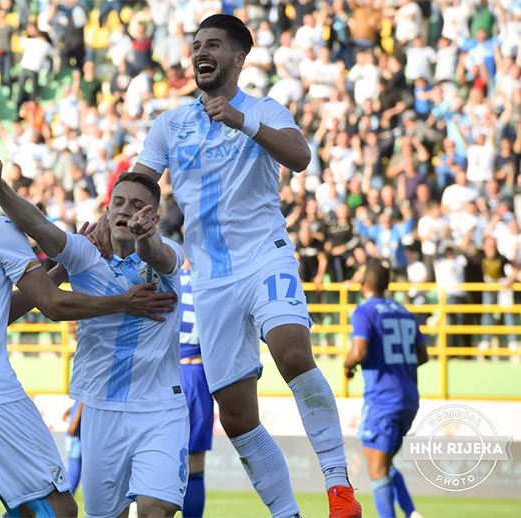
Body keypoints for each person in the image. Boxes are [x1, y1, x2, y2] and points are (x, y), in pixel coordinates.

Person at [108, 13, 360, 518]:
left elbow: (300, 155)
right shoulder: (170, 124)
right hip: (209, 279)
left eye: (215, 44)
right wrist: (114, 217)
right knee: (238, 414)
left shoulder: (264, 109)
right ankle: (287, 513)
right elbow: (139, 181)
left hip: (265, 256)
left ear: (238, 58)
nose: (202, 51)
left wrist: (241, 120)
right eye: (197, 44)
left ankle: (338, 488)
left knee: (291, 352)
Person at [0, 137, 176, 518]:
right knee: (61, 509)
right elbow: (53, 307)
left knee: (26, 509)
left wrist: (61, 270)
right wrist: (123, 302)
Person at [0, 166, 188, 518]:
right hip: (101, 408)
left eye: (136, 205)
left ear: (152, 216)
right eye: (118, 202)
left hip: (160, 408)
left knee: (156, 510)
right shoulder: (82, 254)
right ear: (106, 210)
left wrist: (145, 237)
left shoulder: (167, 251)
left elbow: (157, 255)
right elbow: (38, 224)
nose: (125, 210)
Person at [344, 262, 427, 518]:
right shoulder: (404, 311)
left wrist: (347, 366)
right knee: (384, 462)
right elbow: (423, 356)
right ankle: (412, 513)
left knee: (377, 467)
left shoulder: (364, 311)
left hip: (383, 397)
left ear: (364, 284)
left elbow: (358, 351)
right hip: (409, 398)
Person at [179, 257, 214, 518]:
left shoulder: (167, 280)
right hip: (199, 374)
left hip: (167, 373)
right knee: (196, 465)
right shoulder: (210, 283)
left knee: (154, 460)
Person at [63, 401, 82, 494]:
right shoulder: (80, 401)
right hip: (76, 446)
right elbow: (72, 430)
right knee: (73, 479)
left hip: (76, 445)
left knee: (72, 478)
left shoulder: (80, 400)